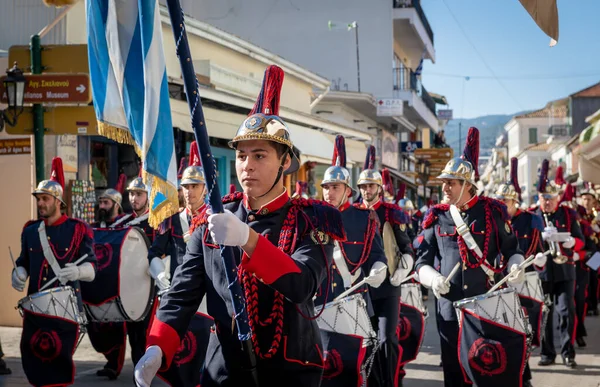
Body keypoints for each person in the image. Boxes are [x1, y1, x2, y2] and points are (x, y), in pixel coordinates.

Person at [135, 65, 344, 387]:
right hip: (226, 367)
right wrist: (158, 345)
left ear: (285, 162)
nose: (247, 166)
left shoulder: (313, 218)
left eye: (260, 155)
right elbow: (183, 293)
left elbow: (303, 285)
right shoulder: (213, 217)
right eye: (242, 156)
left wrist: (248, 239)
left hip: (292, 367)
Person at [414, 127, 525, 387]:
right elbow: (421, 261)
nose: (444, 188)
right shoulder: (436, 216)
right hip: (449, 307)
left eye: (450, 183)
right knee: (453, 371)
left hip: (484, 306)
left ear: (467, 185)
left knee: (486, 370)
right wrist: (432, 279)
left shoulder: (493, 212)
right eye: (443, 182)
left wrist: (515, 265)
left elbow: (512, 249)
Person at [12, 157, 97, 387]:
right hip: (36, 309)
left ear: (58, 201)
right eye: (39, 199)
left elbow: (92, 269)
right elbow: (24, 262)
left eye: (45, 199)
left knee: (57, 362)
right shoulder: (30, 231)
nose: (41, 204)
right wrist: (19, 272)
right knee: (32, 360)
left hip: (64, 311)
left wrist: (78, 271)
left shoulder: (78, 230)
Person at [358, 147, 414, 387]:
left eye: (371, 186)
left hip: (388, 286)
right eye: (363, 187)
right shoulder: (353, 213)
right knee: (365, 342)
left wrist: (404, 269)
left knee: (386, 339)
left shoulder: (392, 213)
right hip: (361, 287)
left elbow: (407, 248)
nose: (367, 191)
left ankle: (389, 383)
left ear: (379, 188)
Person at [494, 157, 546, 387]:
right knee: (503, 333)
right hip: (500, 284)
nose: (502, 204)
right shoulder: (494, 221)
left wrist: (518, 265)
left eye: (506, 201)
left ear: (515, 202)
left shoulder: (530, 220)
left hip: (523, 283)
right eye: (500, 200)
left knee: (523, 334)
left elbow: (533, 247)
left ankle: (523, 376)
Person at [534, 160, 585, 369]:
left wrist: (572, 243)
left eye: (551, 198)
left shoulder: (568, 214)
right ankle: (547, 353)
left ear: (557, 198)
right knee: (545, 313)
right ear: (539, 199)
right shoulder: (533, 216)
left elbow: (582, 240)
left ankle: (567, 353)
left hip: (565, 270)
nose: (547, 202)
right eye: (544, 198)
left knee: (567, 311)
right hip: (543, 272)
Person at [580, 183, 600, 317]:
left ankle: (593, 304)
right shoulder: (577, 214)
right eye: (584, 199)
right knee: (582, 279)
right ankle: (584, 306)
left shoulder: (596, 215)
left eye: (589, 199)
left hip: (596, 252)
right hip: (582, 252)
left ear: (593, 201)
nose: (586, 202)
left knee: (593, 277)